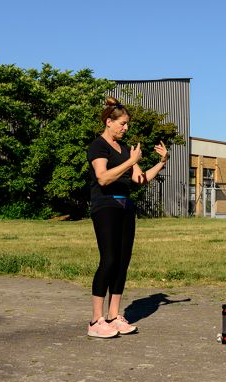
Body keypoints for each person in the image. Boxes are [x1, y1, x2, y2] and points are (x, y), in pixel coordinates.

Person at [86, 97, 169, 338]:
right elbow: (102, 178)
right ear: (109, 121)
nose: (126, 128)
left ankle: (113, 316)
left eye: (127, 124)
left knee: (122, 262)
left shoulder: (124, 150)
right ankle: (95, 320)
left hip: (125, 206)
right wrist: (131, 161)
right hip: (105, 205)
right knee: (109, 259)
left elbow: (140, 180)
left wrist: (161, 163)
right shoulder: (98, 146)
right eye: (122, 123)